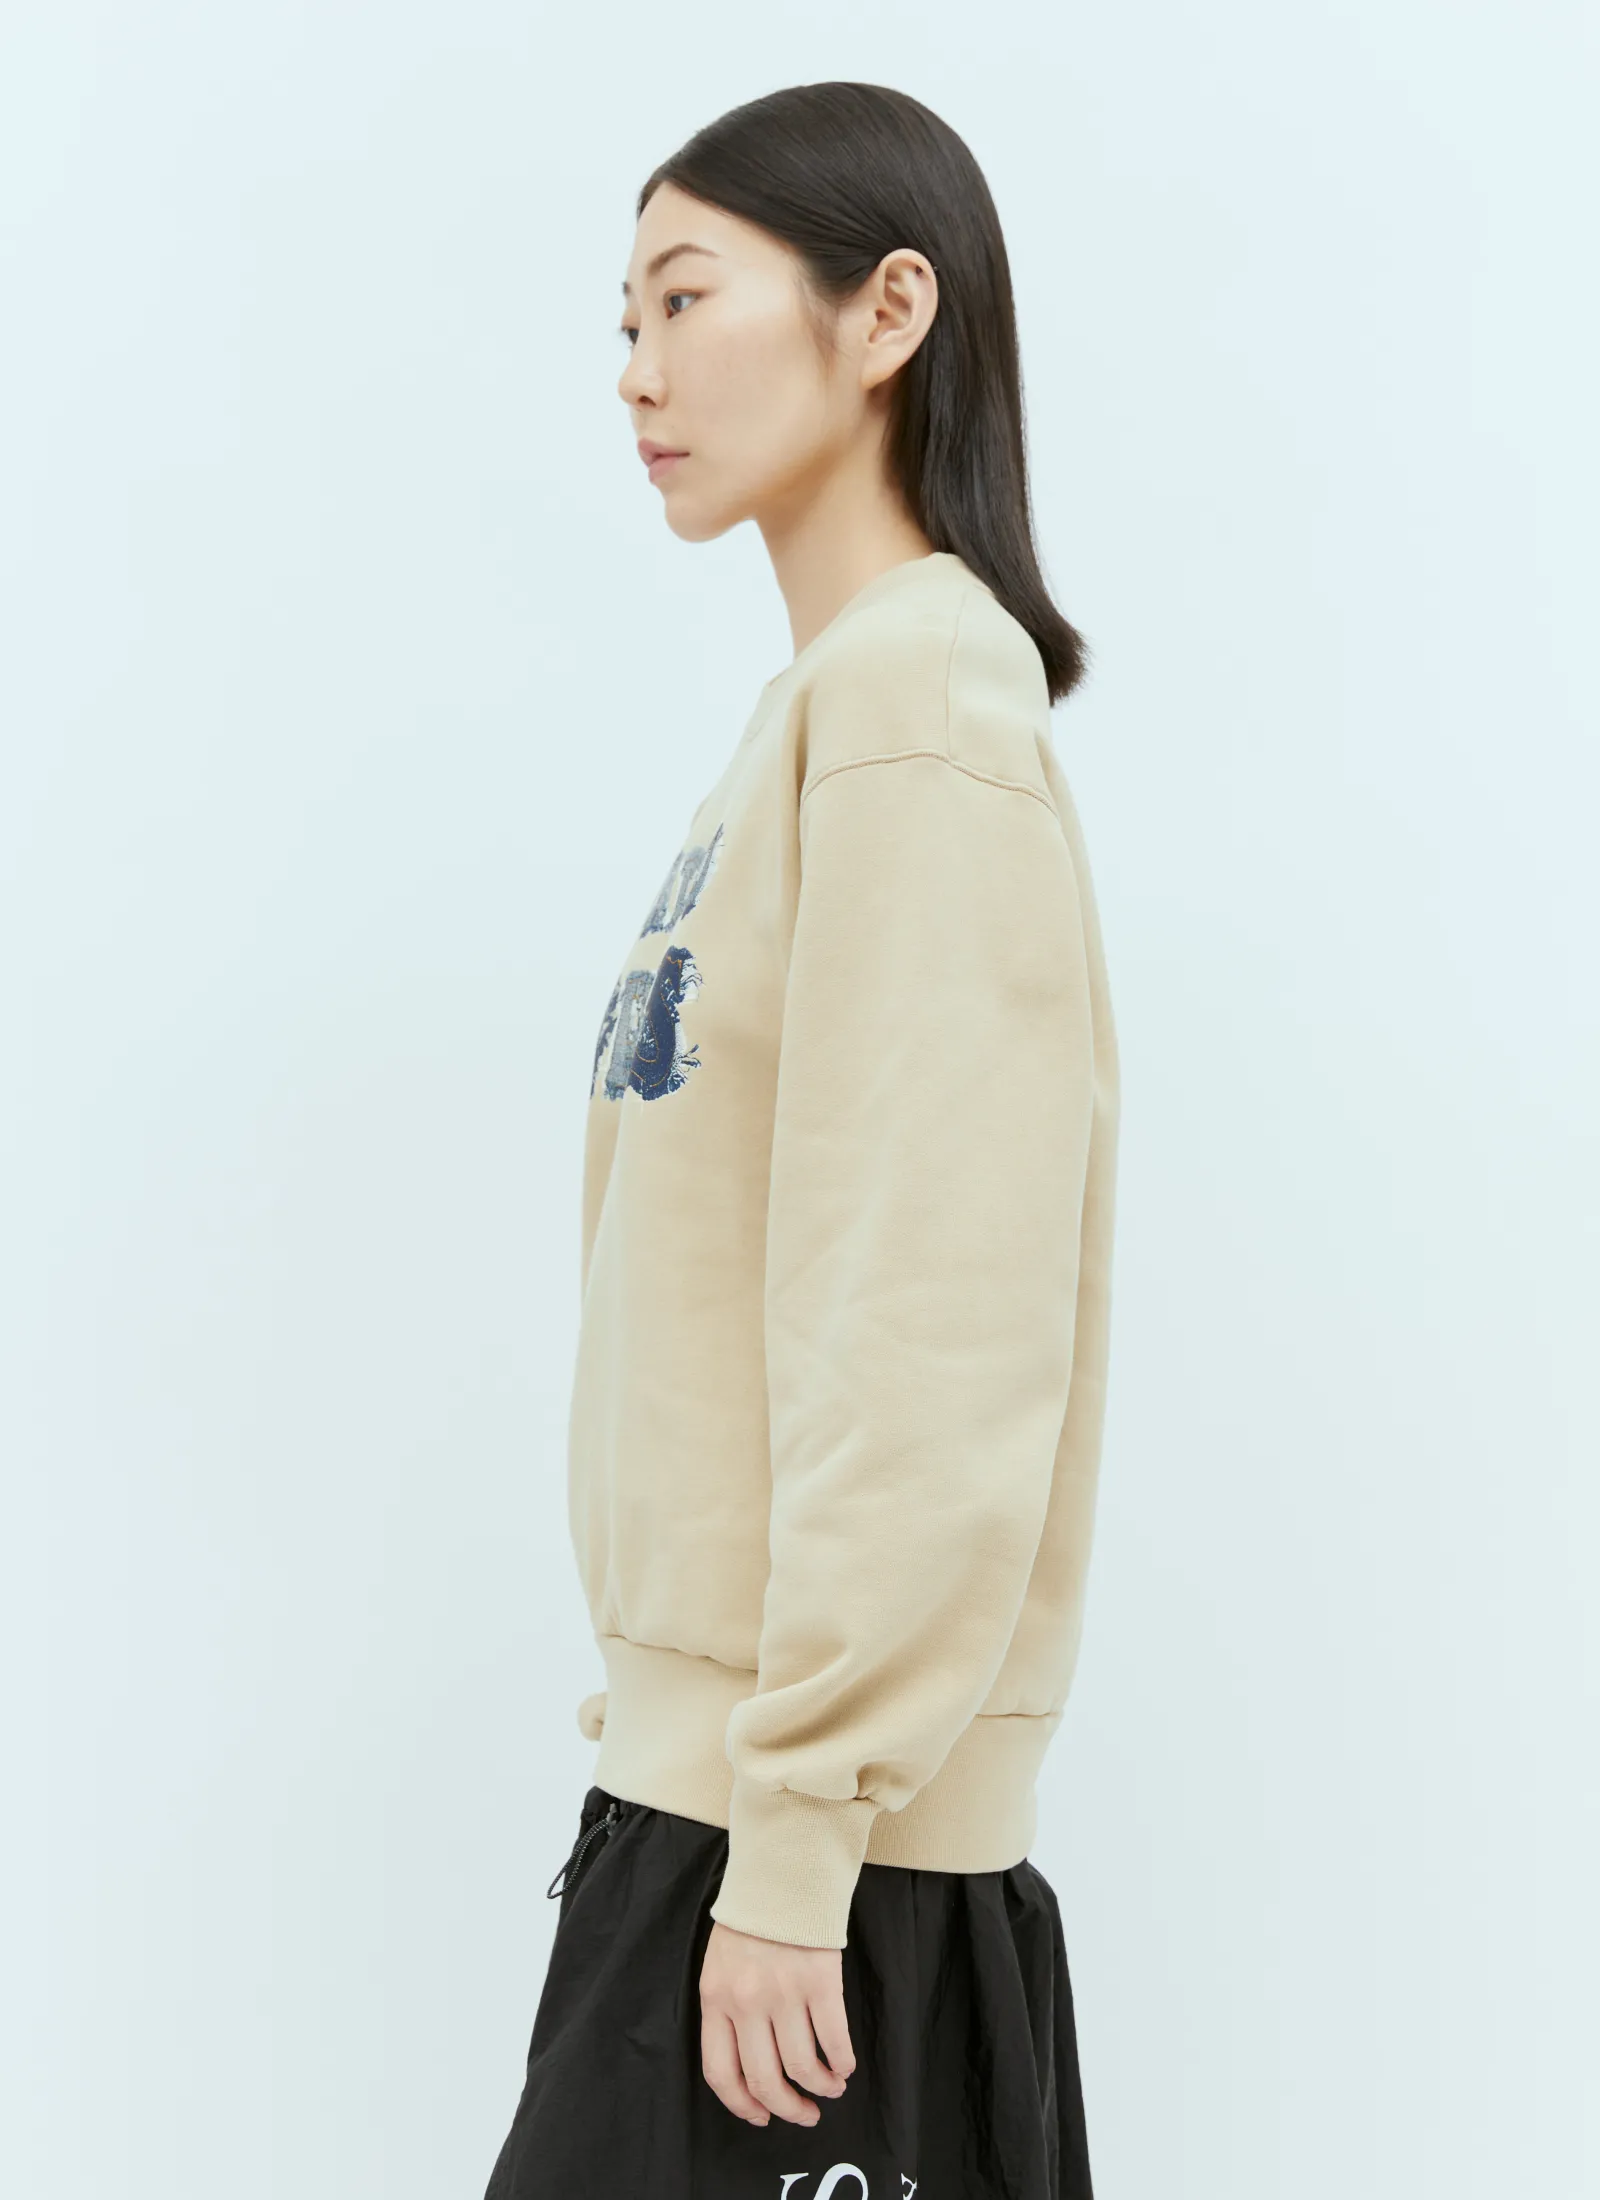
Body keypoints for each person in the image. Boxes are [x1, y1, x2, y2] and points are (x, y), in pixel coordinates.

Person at [482, 80, 1120, 2200]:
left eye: (684, 298)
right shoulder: (823, 717)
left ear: (885, 314)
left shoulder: (918, 711)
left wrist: (799, 1829)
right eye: (625, 320)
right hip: (733, 1818)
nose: (635, 370)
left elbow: (923, 1310)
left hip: (809, 1877)